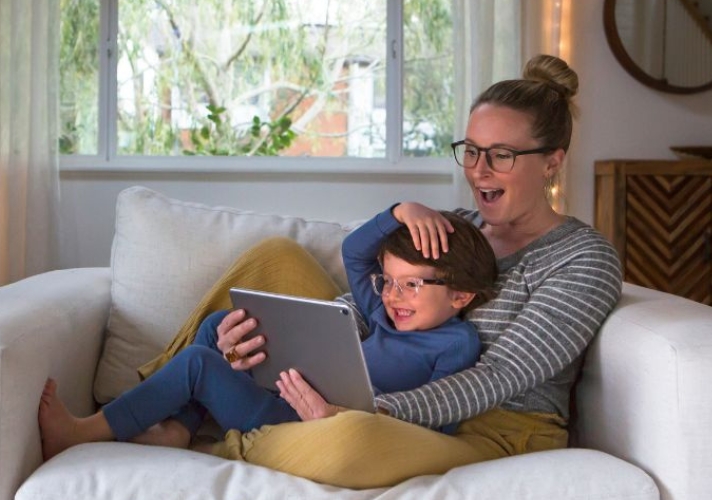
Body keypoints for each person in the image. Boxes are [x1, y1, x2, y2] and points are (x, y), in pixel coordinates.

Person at [152, 54, 623, 489]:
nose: (479, 171)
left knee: (352, 441)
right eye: (472, 151)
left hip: (493, 429)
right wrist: (321, 335)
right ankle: (173, 411)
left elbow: (499, 375)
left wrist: (367, 410)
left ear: (551, 163)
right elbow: (374, 303)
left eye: (502, 155)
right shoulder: (455, 229)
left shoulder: (583, 259)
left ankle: (227, 440)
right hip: (382, 386)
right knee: (276, 259)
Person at [38, 209, 498, 460]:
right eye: (390, 280)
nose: (395, 295)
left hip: (302, 423)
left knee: (200, 363)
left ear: (460, 296)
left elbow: (442, 419)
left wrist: (362, 409)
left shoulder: (457, 344)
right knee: (221, 325)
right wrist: (400, 212)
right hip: (291, 391)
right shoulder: (383, 310)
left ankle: (86, 431)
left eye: (412, 285)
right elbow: (356, 252)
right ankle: (181, 428)